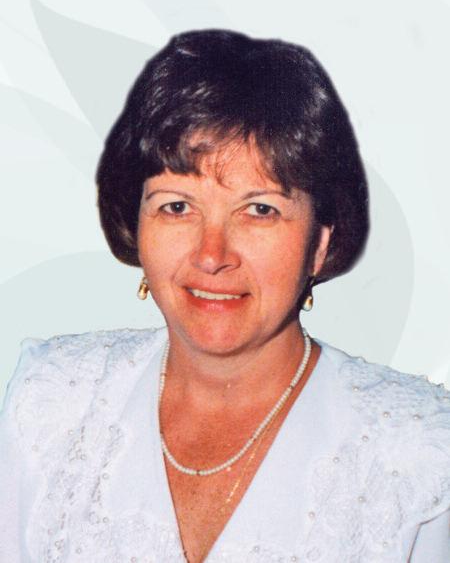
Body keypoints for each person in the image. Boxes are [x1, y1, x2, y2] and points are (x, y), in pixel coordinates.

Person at [1, 29, 449, 563]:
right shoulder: (51, 401)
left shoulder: (421, 453)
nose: (212, 255)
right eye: (177, 207)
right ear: (136, 224)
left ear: (319, 244)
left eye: (260, 210)